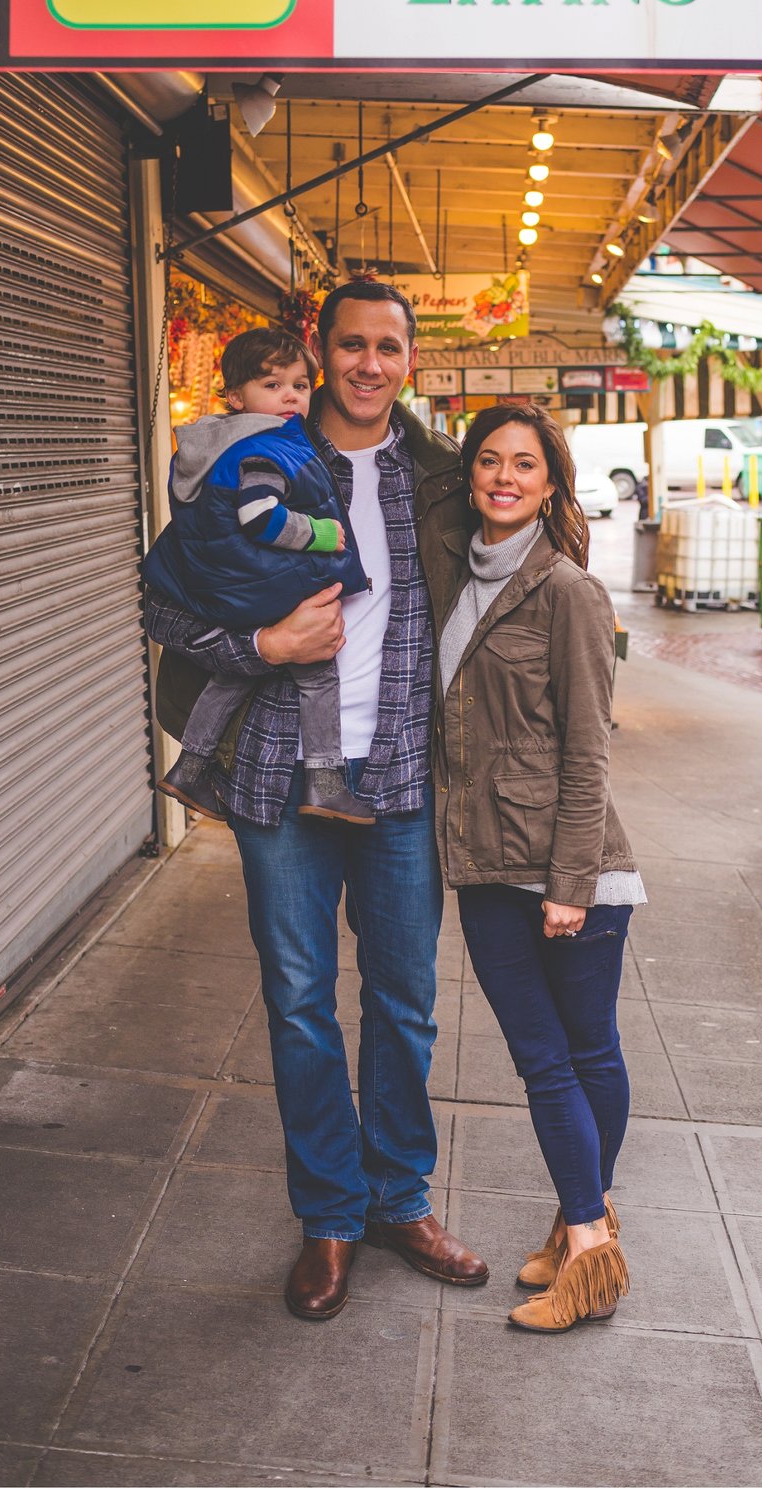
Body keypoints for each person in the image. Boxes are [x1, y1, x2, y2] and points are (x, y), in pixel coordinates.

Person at [161, 279, 483, 1321]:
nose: (368, 365)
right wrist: (260, 645)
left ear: (409, 359)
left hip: (398, 781)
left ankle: (400, 1198)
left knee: (404, 1002)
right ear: (321, 350)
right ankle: (330, 1216)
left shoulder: (439, 477)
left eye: (388, 347)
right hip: (276, 777)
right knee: (298, 1003)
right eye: (351, 345)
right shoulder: (247, 459)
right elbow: (159, 600)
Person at [436, 403, 640, 1333]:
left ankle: (592, 1251)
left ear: (551, 482)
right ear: (470, 473)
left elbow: (588, 750)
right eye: (489, 460)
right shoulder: (452, 577)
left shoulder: (566, 591)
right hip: (483, 862)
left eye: (525, 463)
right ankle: (575, 1224)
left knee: (574, 1055)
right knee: (544, 1057)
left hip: (567, 869)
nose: (504, 476)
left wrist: (571, 883)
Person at [142, 327, 371, 825]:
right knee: (319, 677)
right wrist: (321, 534)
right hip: (266, 594)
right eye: (273, 385)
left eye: (301, 385)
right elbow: (260, 516)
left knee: (231, 676)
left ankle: (190, 766)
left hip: (234, 592)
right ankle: (326, 783)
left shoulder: (215, 443)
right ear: (235, 396)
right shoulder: (264, 446)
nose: (291, 395)